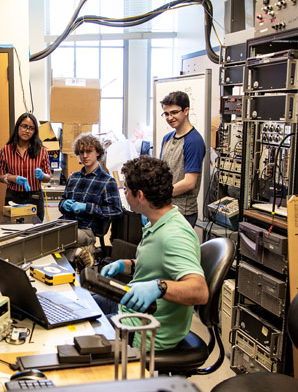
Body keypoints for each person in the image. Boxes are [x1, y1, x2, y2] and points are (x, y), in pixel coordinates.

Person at [96, 157, 208, 351]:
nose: (125, 194)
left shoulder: (174, 235)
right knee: (81, 304)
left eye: (127, 190)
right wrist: (126, 264)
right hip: (132, 310)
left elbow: (200, 291)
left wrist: (159, 287)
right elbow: (159, 264)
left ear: (139, 196)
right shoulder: (158, 221)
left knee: (78, 335)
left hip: (145, 330)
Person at [59, 133, 122, 267]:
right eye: (81, 152)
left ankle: (82, 252)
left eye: (89, 151)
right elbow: (62, 203)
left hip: (87, 229)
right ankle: (78, 253)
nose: (85, 156)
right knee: (42, 236)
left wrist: (86, 207)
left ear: (98, 152)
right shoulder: (74, 177)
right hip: (66, 224)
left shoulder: (107, 181)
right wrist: (64, 204)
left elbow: (116, 211)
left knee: (56, 240)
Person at [158, 91, 206, 228]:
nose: (170, 117)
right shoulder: (167, 138)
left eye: (174, 112)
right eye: (166, 114)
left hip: (183, 212)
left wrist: (159, 193)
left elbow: (189, 183)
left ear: (186, 111)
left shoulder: (194, 141)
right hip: (165, 207)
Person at [0, 113, 51, 221]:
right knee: (13, 232)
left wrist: (42, 175)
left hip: (34, 197)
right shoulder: (6, 150)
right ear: (18, 127)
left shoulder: (42, 150)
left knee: (34, 232)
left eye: (31, 128)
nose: (27, 131)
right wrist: (12, 178)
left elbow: (48, 177)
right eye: (24, 126)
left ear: (35, 131)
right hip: (13, 196)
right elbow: (0, 175)